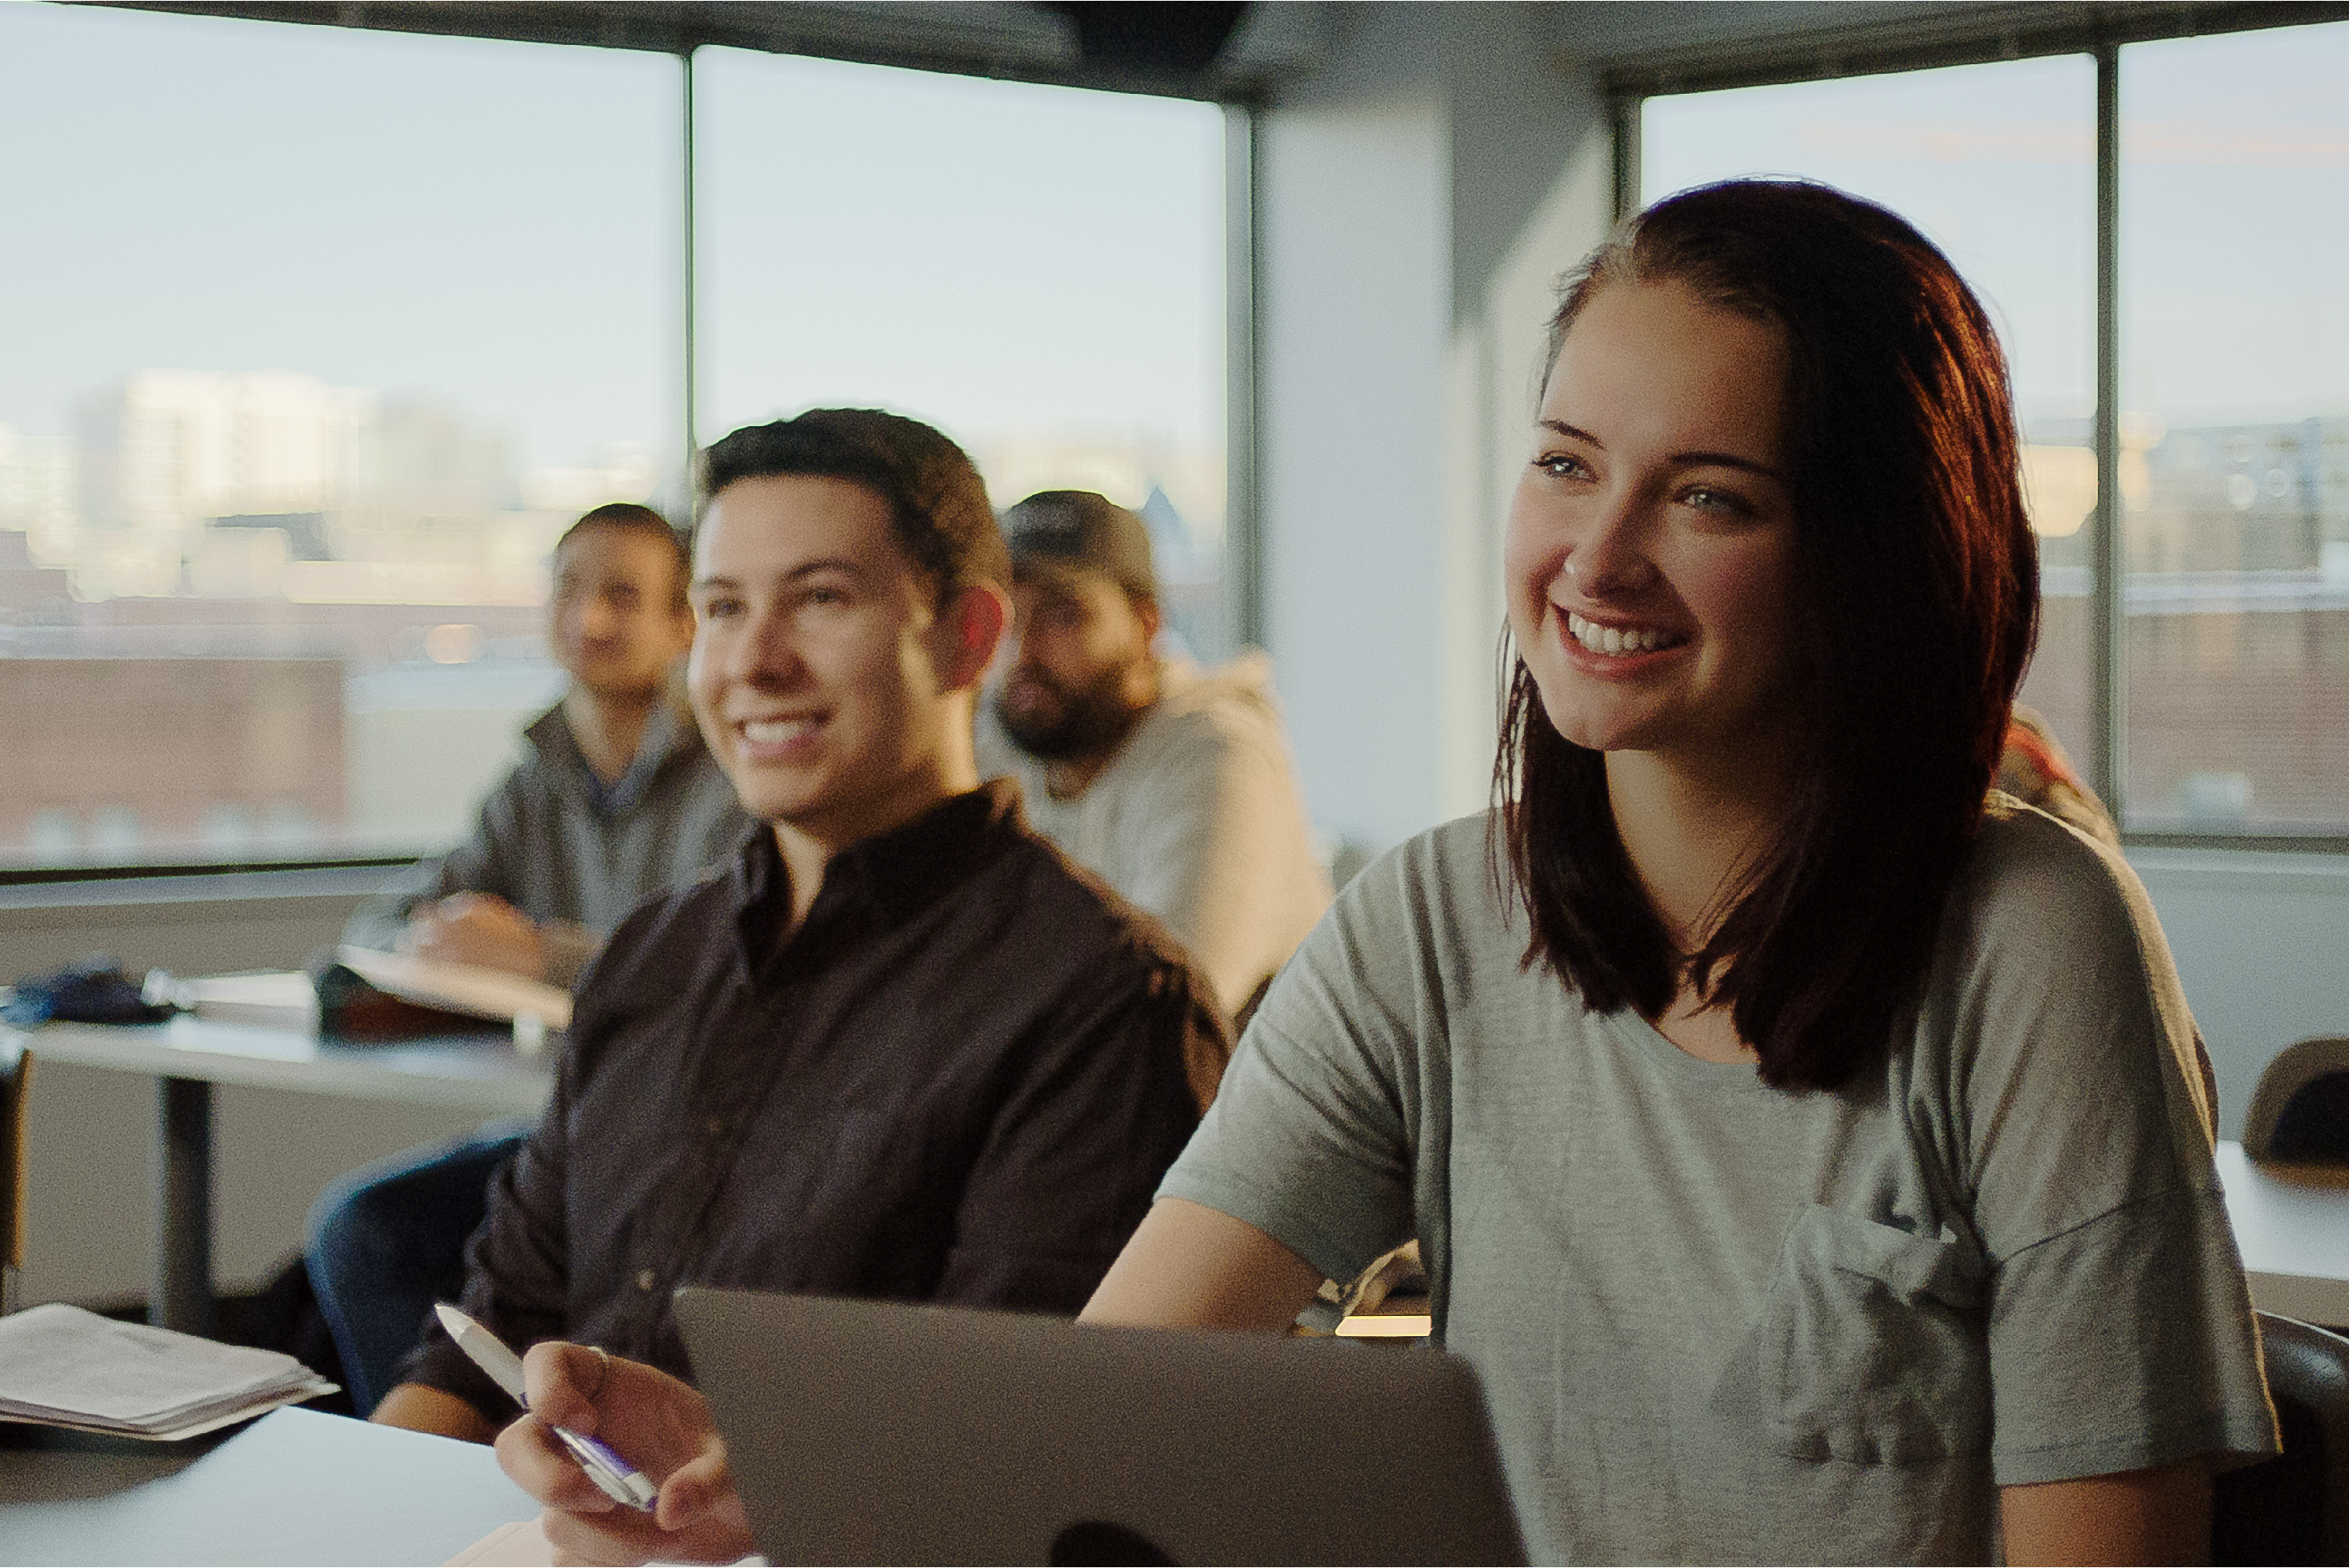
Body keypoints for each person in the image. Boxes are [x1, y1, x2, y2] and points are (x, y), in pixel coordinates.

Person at [491, 184, 2277, 1566]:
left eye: (1707, 496)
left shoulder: (2025, 942)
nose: (1596, 552)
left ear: (1872, 555)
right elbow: (1106, 1405)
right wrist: (779, 1478)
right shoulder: (1435, 920)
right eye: (1566, 463)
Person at [370, 408, 1228, 1444]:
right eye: (723, 608)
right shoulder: (652, 956)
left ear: (967, 637)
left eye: (820, 599)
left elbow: (1007, 1457)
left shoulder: (1100, 1004)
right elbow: (486, 1336)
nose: (755, 661)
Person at [311, 503, 750, 1414]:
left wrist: (537, 956)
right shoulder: (537, 771)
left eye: (623, 596)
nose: (589, 619)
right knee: (361, 1229)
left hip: (684, 1130)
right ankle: (455, 1480)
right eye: (569, 589)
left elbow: (718, 970)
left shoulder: (733, 777)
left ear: (682, 625)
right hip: (563, 1116)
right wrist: (437, 934)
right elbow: (394, 915)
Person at [977, 489, 1331, 1022]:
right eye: (1009, 621)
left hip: (1229, 1102)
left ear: (1146, 628)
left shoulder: (1215, 751)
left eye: (1062, 617)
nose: (1022, 653)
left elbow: (1165, 1016)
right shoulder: (1004, 740)